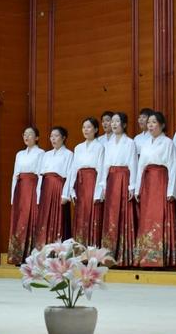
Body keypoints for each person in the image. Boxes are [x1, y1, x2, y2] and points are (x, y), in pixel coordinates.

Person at [134, 111, 176, 268]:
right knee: (147, 218)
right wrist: (137, 189)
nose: (151, 125)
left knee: (159, 216)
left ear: (162, 125)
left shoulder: (168, 143)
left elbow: (173, 166)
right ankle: (146, 257)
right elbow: (140, 167)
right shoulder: (146, 143)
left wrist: (171, 191)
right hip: (147, 183)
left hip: (161, 181)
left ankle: (161, 258)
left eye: (154, 122)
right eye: (149, 123)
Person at [99, 113, 138, 267]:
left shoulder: (129, 143)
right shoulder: (108, 144)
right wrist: (103, 184)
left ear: (124, 124)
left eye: (117, 121)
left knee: (123, 214)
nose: (114, 124)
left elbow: (133, 164)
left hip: (123, 178)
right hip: (111, 179)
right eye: (112, 121)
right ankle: (109, 255)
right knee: (111, 215)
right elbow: (104, 166)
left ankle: (124, 256)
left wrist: (132, 185)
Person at [7, 126, 45, 265]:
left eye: (30, 134)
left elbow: (41, 175)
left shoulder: (41, 153)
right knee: (19, 219)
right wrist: (13, 196)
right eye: (25, 134)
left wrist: (39, 194)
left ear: (37, 138)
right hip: (20, 188)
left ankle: (31, 255)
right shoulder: (19, 154)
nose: (26, 137)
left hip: (32, 187)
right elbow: (15, 175)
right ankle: (18, 255)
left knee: (31, 218)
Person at [34, 126, 74, 248]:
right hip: (46, 188)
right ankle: (43, 249)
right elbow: (41, 176)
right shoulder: (46, 155)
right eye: (51, 136)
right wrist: (39, 194)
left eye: (56, 136)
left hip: (59, 188)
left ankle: (59, 250)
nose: (53, 139)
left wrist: (65, 194)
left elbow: (70, 175)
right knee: (45, 218)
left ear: (63, 138)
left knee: (59, 218)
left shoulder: (69, 154)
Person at [68, 117, 105, 246]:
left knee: (93, 213)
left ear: (95, 129)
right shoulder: (78, 147)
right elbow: (73, 169)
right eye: (84, 127)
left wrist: (98, 192)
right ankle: (79, 249)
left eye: (89, 127)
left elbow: (101, 169)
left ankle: (93, 249)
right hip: (80, 183)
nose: (86, 130)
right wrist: (71, 190)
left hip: (93, 182)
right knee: (80, 214)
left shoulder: (100, 147)